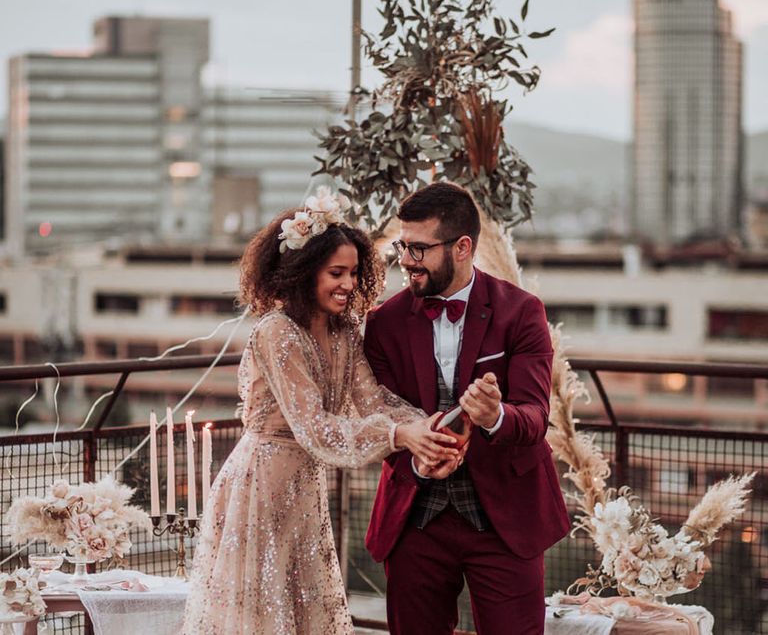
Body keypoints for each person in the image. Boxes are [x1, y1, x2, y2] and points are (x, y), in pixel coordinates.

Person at [183, 188, 457, 634]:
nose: (348, 284)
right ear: (304, 272)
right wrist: (399, 437)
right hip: (261, 488)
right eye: (336, 273)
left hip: (305, 489)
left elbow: (374, 401)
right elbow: (315, 429)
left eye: (353, 272)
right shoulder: (276, 333)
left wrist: (428, 428)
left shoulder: (345, 330)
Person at [364, 182, 570, 635]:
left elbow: (535, 418)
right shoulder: (384, 323)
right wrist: (418, 458)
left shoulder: (521, 312)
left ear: (462, 247)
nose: (405, 259)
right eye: (403, 245)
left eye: (419, 248)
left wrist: (495, 415)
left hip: (504, 520)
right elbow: (378, 416)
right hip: (416, 517)